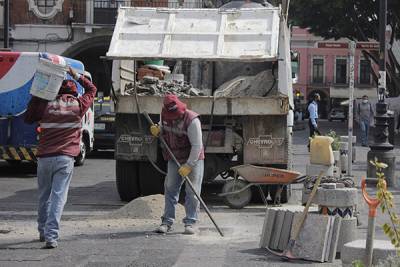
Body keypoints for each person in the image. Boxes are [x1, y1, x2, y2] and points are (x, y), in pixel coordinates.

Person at [25, 67, 97, 249]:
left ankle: (42, 231)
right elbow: (92, 89)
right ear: (73, 92)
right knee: (58, 198)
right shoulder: (78, 106)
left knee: (44, 197)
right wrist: (76, 74)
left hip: (44, 158)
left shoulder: (45, 105)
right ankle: (51, 236)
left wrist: (40, 89)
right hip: (65, 159)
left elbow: (29, 117)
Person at [150, 94, 204, 235]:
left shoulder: (192, 120)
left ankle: (191, 222)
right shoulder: (164, 115)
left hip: (193, 158)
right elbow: (162, 128)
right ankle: (167, 222)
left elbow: (197, 147)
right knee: (170, 188)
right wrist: (159, 130)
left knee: (192, 192)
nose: (172, 118)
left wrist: (189, 165)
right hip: (174, 157)